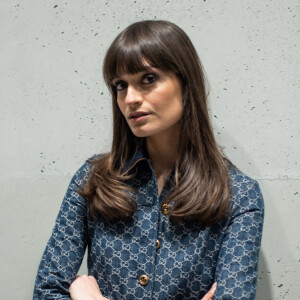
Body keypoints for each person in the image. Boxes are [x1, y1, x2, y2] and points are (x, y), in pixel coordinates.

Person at [33, 20, 264, 300]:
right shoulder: (93, 180)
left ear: (185, 82)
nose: (130, 98)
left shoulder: (239, 196)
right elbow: (47, 292)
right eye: (120, 85)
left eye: (148, 79)